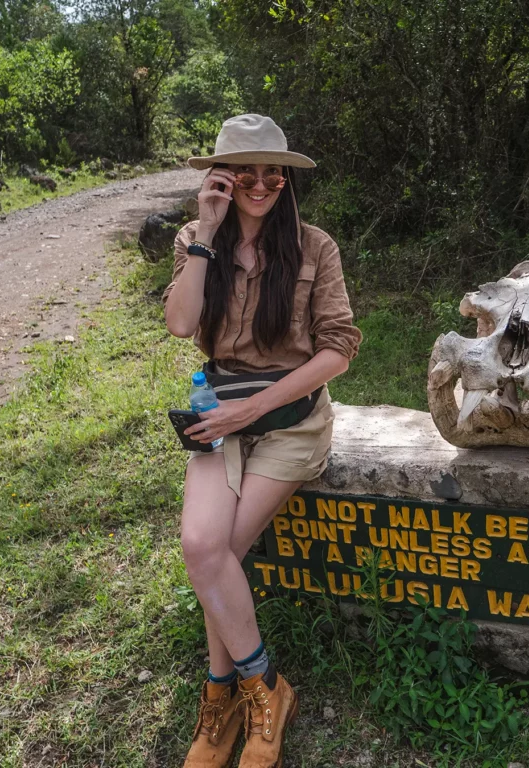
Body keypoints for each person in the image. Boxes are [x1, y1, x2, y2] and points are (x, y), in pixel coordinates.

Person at [162, 113, 362, 768]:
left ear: (285, 177)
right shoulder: (198, 237)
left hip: (290, 421)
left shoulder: (314, 247)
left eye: (271, 169)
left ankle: (221, 699)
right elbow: (180, 323)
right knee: (202, 545)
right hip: (215, 416)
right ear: (221, 176)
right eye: (243, 170)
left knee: (224, 549)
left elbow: (338, 350)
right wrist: (206, 233)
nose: (259, 181)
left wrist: (253, 410)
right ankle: (261, 687)